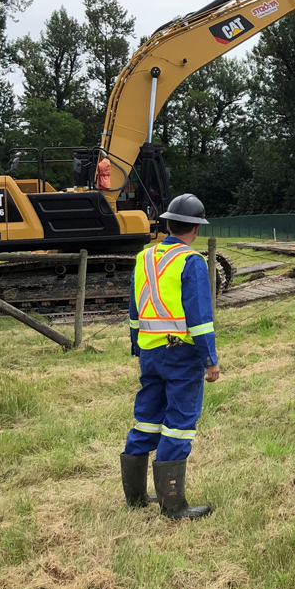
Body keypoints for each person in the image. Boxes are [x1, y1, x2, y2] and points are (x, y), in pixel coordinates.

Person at [120, 193, 219, 520]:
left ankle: (135, 498)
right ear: (195, 228)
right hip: (181, 355)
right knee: (178, 425)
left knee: (147, 419)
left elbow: (135, 311)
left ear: (167, 224)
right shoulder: (192, 262)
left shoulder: (143, 258)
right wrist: (210, 360)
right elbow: (200, 318)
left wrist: (138, 347)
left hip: (150, 353)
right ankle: (174, 507)